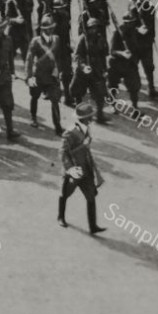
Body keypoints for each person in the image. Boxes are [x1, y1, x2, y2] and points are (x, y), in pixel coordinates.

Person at [58, 101, 107, 236]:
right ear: (83, 118)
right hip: (74, 170)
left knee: (91, 196)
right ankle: (60, 217)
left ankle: (93, 226)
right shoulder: (70, 132)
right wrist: (70, 169)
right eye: (89, 116)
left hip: (86, 168)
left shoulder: (85, 128)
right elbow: (63, 152)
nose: (92, 118)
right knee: (65, 193)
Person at [25, 17, 64, 133]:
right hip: (39, 75)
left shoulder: (57, 39)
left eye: (52, 28)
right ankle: (33, 116)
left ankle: (57, 126)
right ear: (42, 29)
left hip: (52, 76)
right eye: (47, 29)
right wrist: (29, 76)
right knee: (35, 96)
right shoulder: (35, 41)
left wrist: (58, 70)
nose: (50, 31)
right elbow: (29, 59)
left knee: (55, 100)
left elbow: (59, 57)